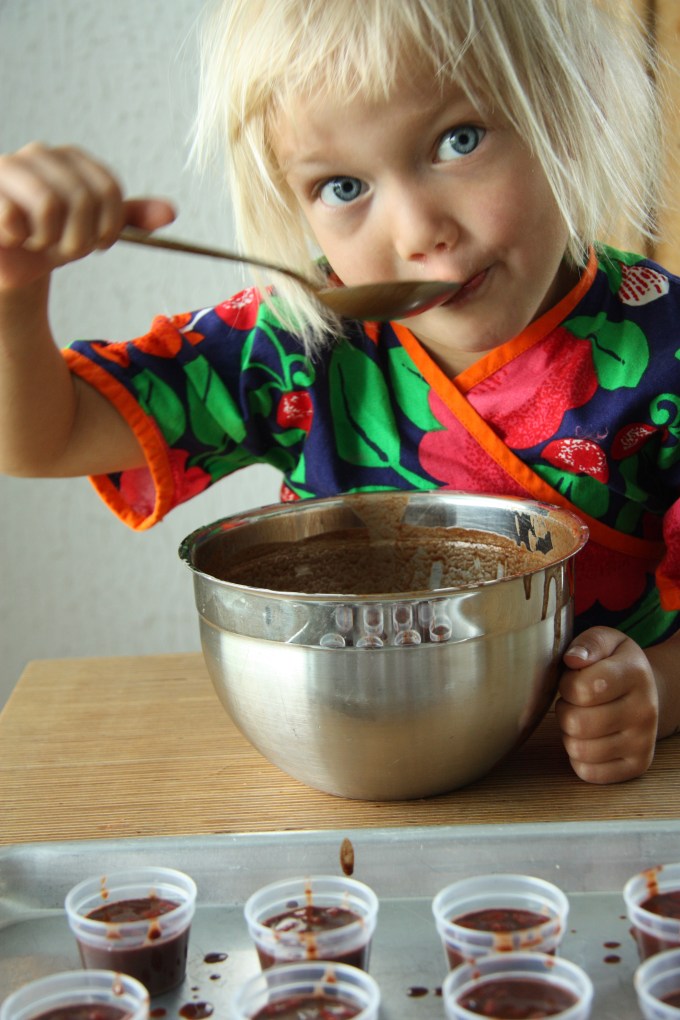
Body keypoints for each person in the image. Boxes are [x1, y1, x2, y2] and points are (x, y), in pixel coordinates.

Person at [0, 0, 678, 786]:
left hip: (575, 789)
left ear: (568, 107)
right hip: (342, 771)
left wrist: (657, 689)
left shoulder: (661, 346)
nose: (417, 230)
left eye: (458, 141)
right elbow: (43, 440)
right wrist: (15, 289)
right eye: (344, 185)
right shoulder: (298, 344)